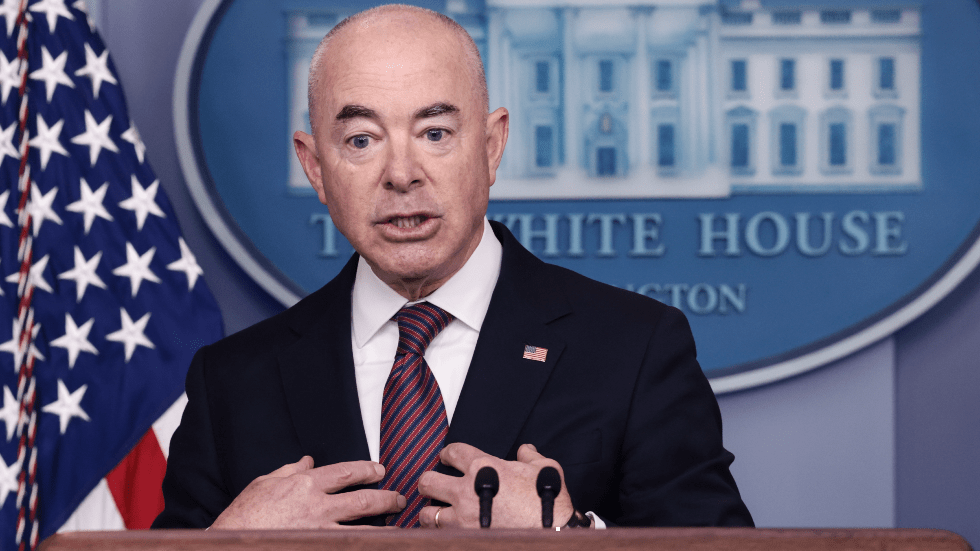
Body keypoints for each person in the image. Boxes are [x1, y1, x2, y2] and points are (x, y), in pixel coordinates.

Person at [153, 4, 752, 530]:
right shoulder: (229, 381)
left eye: (435, 132)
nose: (402, 173)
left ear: (492, 147)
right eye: (362, 140)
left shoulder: (635, 347)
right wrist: (226, 544)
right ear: (315, 168)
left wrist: (571, 536)